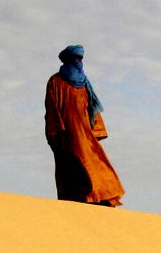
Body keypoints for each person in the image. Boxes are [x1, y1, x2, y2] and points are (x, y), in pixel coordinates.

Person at [44, 45, 125, 206]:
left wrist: (96, 129)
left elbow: (93, 106)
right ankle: (82, 198)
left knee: (95, 162)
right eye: (76, 59)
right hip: (66, 131)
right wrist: (56, 132)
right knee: (72, 163)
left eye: (80, 59)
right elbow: (51, 108)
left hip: (85, 131)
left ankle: (102, 197)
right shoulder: (56, 81)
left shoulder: (84, 82)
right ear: (68, 60)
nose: (79, 62)